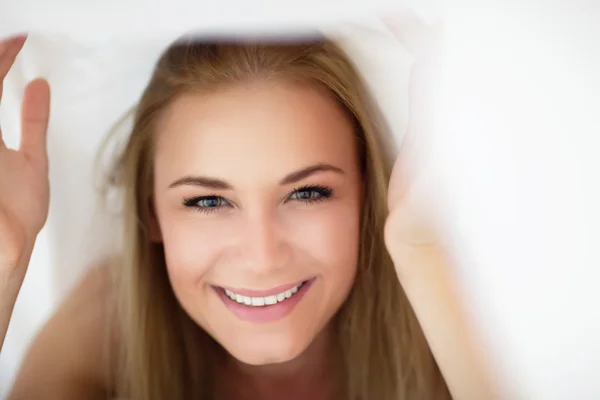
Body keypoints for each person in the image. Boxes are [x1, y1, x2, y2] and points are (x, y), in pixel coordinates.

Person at [0, 14, 499, 400]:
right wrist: (4, 261)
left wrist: (418, 247)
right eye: (208, 200)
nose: (262, 257)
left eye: (307, 193)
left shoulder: (442, 303)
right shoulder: (108, 322)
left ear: (367, 193)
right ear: (151, 212)